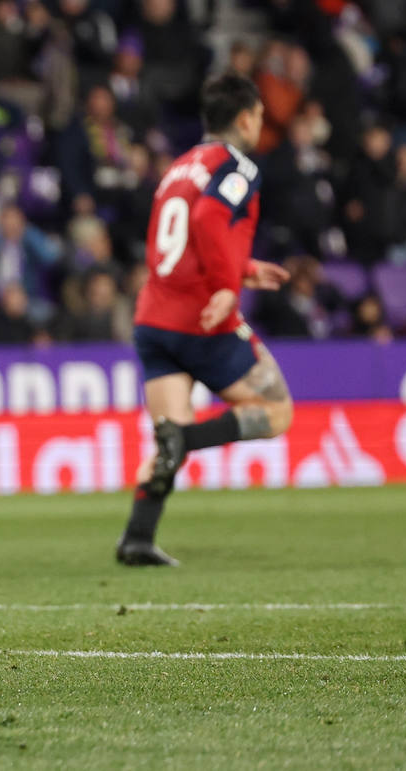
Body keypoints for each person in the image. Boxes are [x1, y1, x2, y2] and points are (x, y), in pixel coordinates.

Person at [116, 75, 294, 567]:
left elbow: (177, 240)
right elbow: (210, 220)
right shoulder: (235, 165)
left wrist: (243, 267)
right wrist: (225, 284)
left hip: (154, 317)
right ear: (244, 118)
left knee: (169, 426)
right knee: (278, 411)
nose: (260, 125)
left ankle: (137, 537)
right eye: (259, 116)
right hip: (201, 318)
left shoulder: (179, 167)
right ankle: (184, 441)